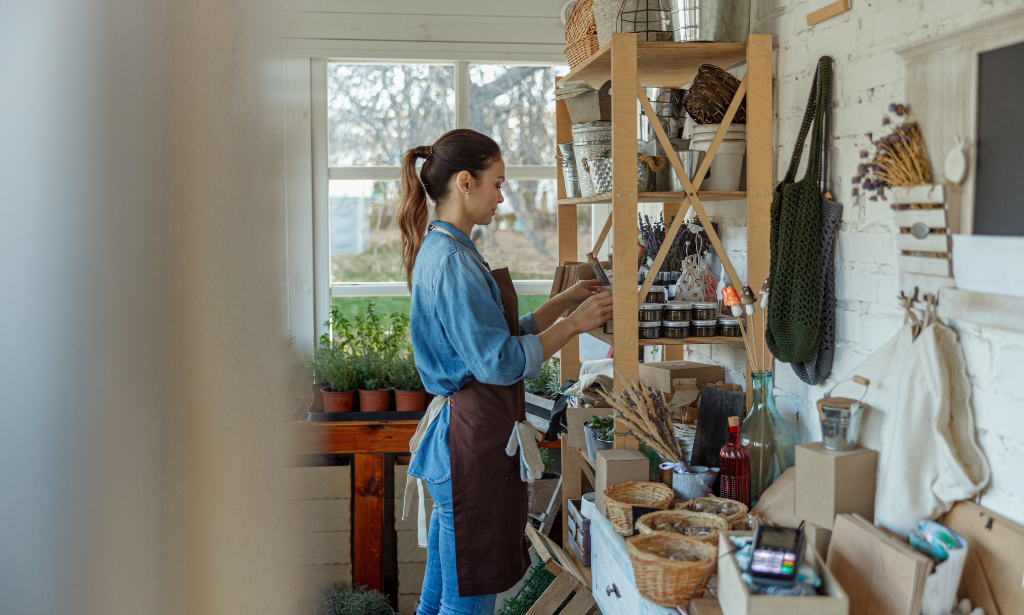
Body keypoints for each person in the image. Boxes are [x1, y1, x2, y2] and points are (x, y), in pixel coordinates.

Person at [397, 129, 612, 615]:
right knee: (466, 606)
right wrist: (577, 325)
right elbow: (499, 361)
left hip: (464, 442)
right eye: (497, 183)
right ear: (465, 182)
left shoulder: (448, 248)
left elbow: (497, 336)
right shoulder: (453, 259)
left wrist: (564, 302)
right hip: (470, 450)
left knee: (438, 600)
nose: (501, 197)